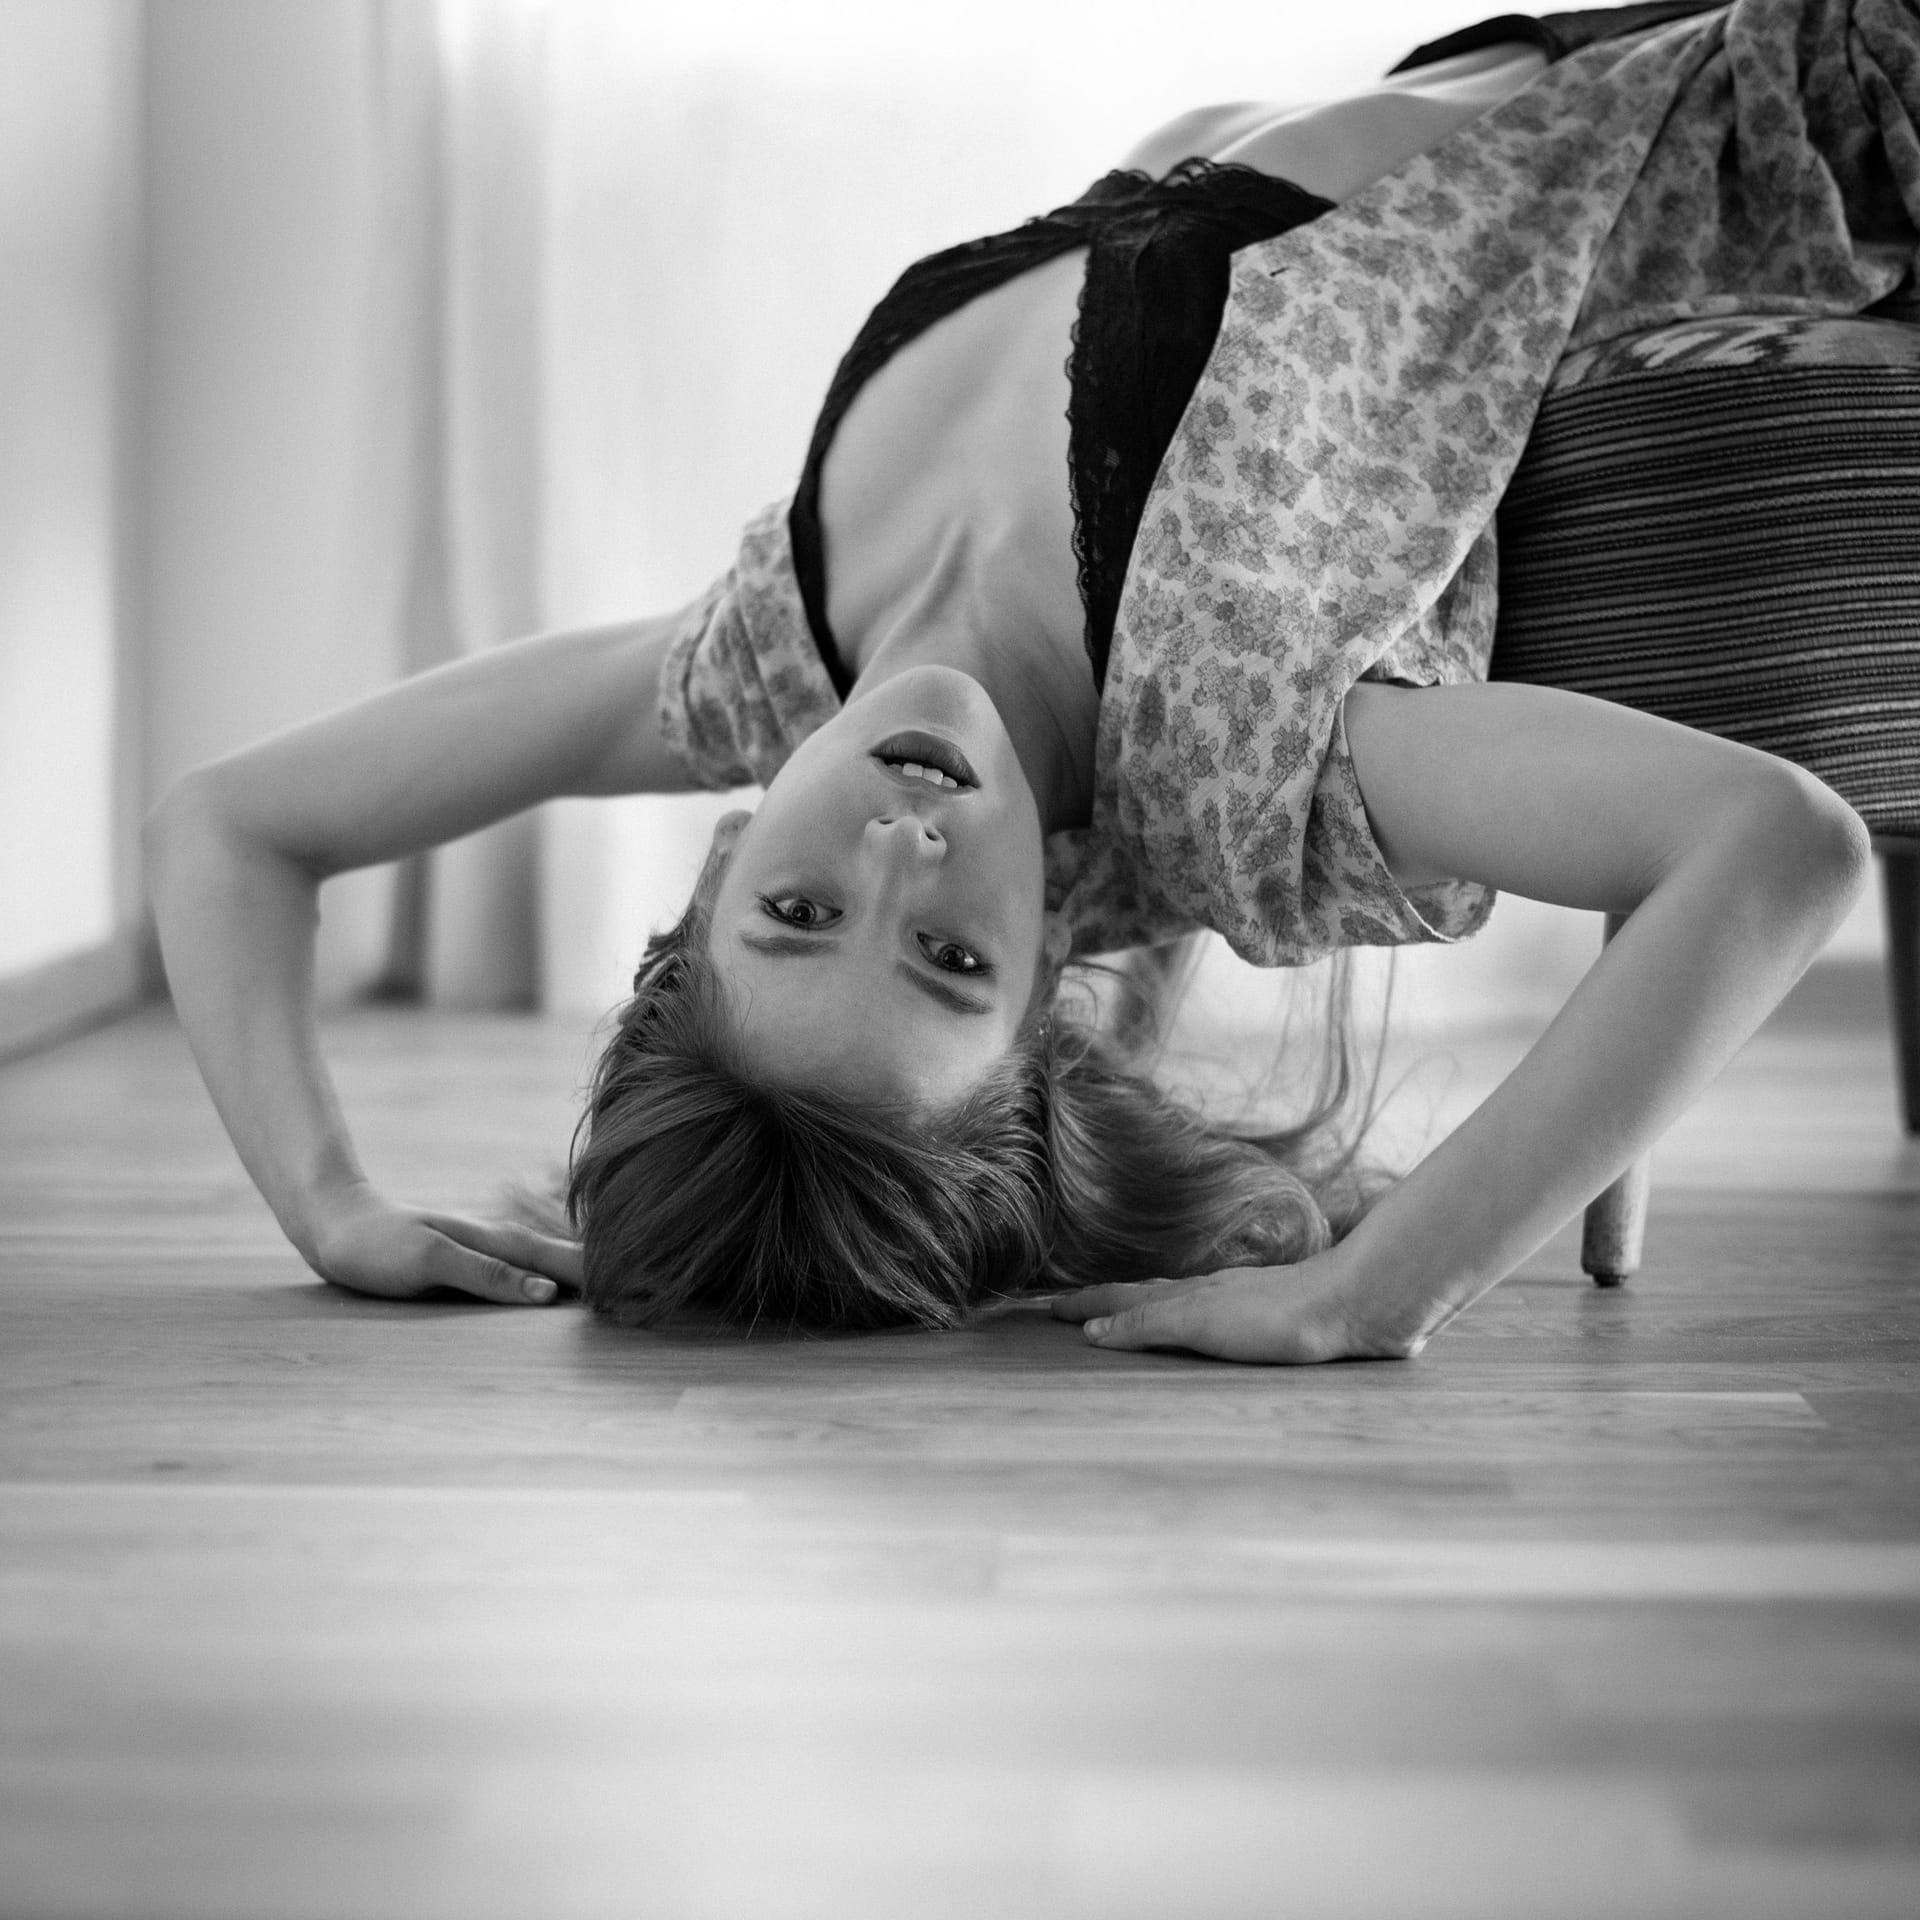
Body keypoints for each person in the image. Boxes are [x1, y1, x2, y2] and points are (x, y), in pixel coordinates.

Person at [148, 1, 1910, 1363]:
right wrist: (1383, 1289)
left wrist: (330, 1205)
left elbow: (228, 827)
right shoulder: (1231, 754)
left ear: (713, 869)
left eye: (797, 912)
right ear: (1047, 984)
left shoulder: (768, 656)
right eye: (950, 959)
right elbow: (1778, 851)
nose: (900, 850)